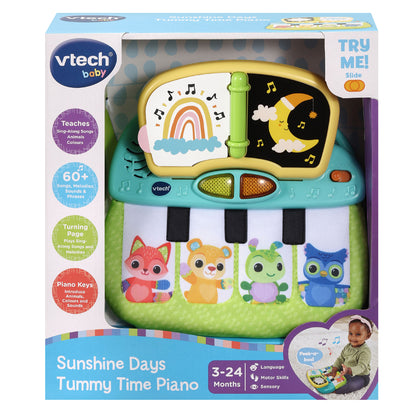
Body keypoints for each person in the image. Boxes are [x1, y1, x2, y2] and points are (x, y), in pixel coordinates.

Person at [329, 315, 373, 394]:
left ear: (368, 336)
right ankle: (331, 374)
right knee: (333, 367)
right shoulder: (348, 346)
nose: (353, 337)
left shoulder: (365, 351)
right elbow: (341, 358)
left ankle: (337, 389)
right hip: (345, 370)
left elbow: (361, 367)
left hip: (360, 376)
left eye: (358, 334)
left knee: (351, 385)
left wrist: (348, 370)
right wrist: (334, 369)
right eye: (350, 333)